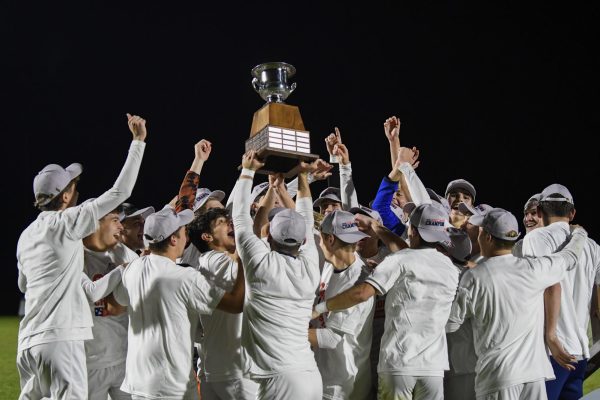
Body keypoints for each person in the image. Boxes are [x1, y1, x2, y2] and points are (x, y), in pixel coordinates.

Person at [16, 113, 147, 400]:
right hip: (61, 338)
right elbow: (120, 191)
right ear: (64, 197)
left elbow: (24, 286)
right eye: (73, 187)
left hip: (27, 343)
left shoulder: (25, 236)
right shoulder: (66, 222)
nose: (76, 192)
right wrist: (138, 142)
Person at [314, 204, 459, 400]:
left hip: (398, 365)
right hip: (433, 368)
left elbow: (362, 293)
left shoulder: (400, 260)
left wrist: (321, 307)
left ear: (412, 231)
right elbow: (415, 257)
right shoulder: (448, 266)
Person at [447, 208, 589, 400]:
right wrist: (579, 233)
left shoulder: (473, 277)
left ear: (487, 237)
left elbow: (451, 324)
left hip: (497, 379)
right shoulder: (534, 269)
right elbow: (570, 257)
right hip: (534, 376)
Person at [113, 207, 246, 399]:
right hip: (171, 385)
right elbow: (235, 304)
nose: (186, 235)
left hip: (138, 380)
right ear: (174, 240)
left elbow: (118, 305)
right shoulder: (184, 277)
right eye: (183, 230)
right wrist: (243, 259)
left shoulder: (133, 267)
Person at [232, 150, 328, 400]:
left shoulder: (259, 262)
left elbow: (240, 218)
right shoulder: (310, 264)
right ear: (304, 240)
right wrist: (303, 178)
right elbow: (307, 217)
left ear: (269, 236)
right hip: (311, 376)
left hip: (278, 381)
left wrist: (248, 170)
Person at [522, 184, 600, 400]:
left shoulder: (534, 239)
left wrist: (551, 335)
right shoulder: (593, 247)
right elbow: (598, 306)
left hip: (550, 350)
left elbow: (545, 285)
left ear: (539, 212)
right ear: (572, 213)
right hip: (579, 350)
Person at [187, 207, 259, 399]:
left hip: (218, 369)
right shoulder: (215, 260)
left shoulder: (207, 262)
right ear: (207, 237)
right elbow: (248, 266)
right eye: (221, 222)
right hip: (236, 372)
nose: (230, 223)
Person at [309, 210, 374, 399]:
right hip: (325, 376)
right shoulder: (331, 267)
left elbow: (330, 338)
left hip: (342, 384)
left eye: (320, 238)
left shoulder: (358, 281)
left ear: (329, 239)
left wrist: (280, 333)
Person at [82, 206, 139, 400]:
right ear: (95, 223)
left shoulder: (124, 255)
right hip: (89, 363)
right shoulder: (75, 256)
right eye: (115, 220)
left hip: (124, 360)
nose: (121, 226)